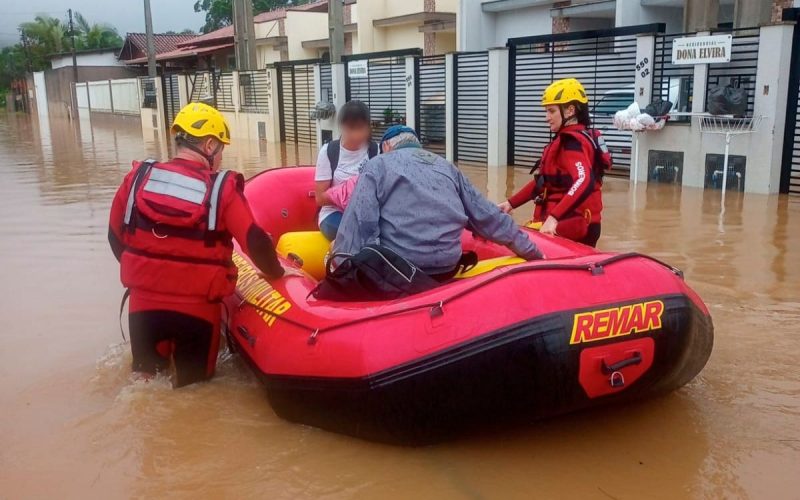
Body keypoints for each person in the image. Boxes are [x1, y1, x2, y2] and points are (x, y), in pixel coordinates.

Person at [108, 102, 287, 388]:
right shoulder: (222, 189)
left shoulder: (137, 179)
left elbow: (115, 238)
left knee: (143, 384)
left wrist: (150, 273)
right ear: (209, 145)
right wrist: (279, 273)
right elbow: (254, 242)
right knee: (195, 392)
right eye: (221, 149)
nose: (220, 157)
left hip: (143, 307)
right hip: (197, 312)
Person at [333, 125, 543, 281]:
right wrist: (534, 253)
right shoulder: (446, 167)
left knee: (338, 250)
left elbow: (361, 221)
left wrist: (342, 267)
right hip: (446, 268)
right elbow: (488, 216)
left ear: (386, 146)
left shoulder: (377, 164)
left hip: (401, 270)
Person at [498, 78, 609, 247]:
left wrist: (553, 218)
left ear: (570, 110)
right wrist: (510, 204)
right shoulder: (574, 140)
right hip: (576, 223)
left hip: (574, 226)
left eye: (551, 111)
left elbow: (583, 180)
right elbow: (544, 182)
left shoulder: (572, 143)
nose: (546, 118)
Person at [314, 100, 378, 240]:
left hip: (366, 215)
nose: (356, 134)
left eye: (360, 128)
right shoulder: (329, 152)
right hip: (334, 214)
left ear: (369, 127)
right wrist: (347, 194)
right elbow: (320, 198)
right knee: (356, 234)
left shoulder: (376, 151)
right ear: (342, 127)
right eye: (351, 128)